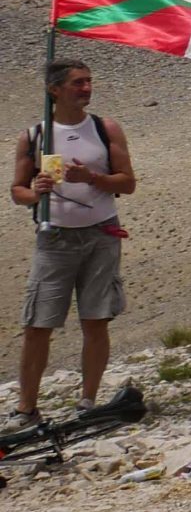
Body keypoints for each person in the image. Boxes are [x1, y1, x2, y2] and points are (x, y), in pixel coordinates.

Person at [10, 60, 138, 428]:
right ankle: (26, 408)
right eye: (77, 83)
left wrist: (92, 177)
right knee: (38, 324)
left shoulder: (104, 128)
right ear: (55, 89)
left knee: (95, 320)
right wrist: (35, 193)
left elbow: (127, 183)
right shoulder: (34, 135)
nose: (86, 88)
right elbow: (18, 191)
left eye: (89, 82)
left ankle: (88, 401)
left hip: (101, 235)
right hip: (54, 239)